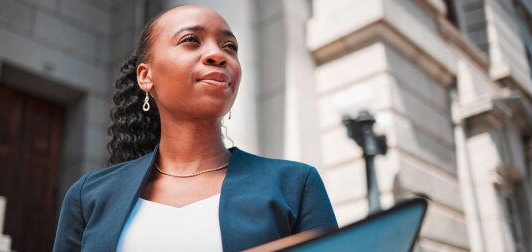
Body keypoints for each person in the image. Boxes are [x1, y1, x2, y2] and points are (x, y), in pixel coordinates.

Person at [52, 5, 337, 252]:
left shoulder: (296, 185)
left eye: (230, 47)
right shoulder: (89, 196)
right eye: (191, 40)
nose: (218, 55)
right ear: (145, 76)